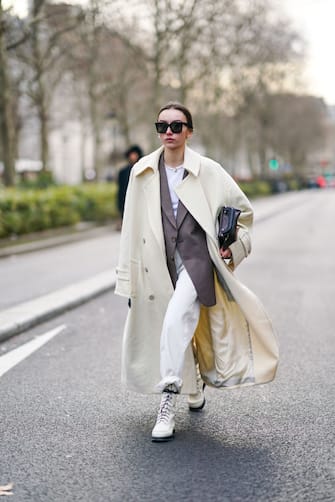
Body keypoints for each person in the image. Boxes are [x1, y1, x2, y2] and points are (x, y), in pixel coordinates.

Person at [115, 102, 278, 442]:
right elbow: (130, 228)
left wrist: (230, 249)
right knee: (177, 324)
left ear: (189, 131)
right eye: (162, 127)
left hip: (197, 261)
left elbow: (244, 213)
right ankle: (194, 386)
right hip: (156, 262)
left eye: (176, 126)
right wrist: (127, 281)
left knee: (174, 319)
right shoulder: (142, 171)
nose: (169, 133)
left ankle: (168, 399)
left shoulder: (209, 170)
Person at [117, 144, 143, 222]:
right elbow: (120, 190)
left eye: (134, 154)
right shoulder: (123, 172)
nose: (133, 157)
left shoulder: (143, 169)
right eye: (131, 155)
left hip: (140, 202)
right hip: (126, 201)